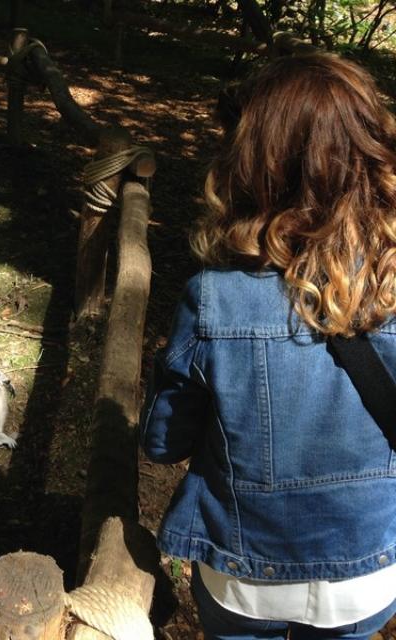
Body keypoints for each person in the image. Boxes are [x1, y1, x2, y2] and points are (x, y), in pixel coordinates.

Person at [139, 52, 396, 640]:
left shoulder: (214, 299)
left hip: (242, 567)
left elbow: (163, 440)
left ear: (253, 164)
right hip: (367, 572)